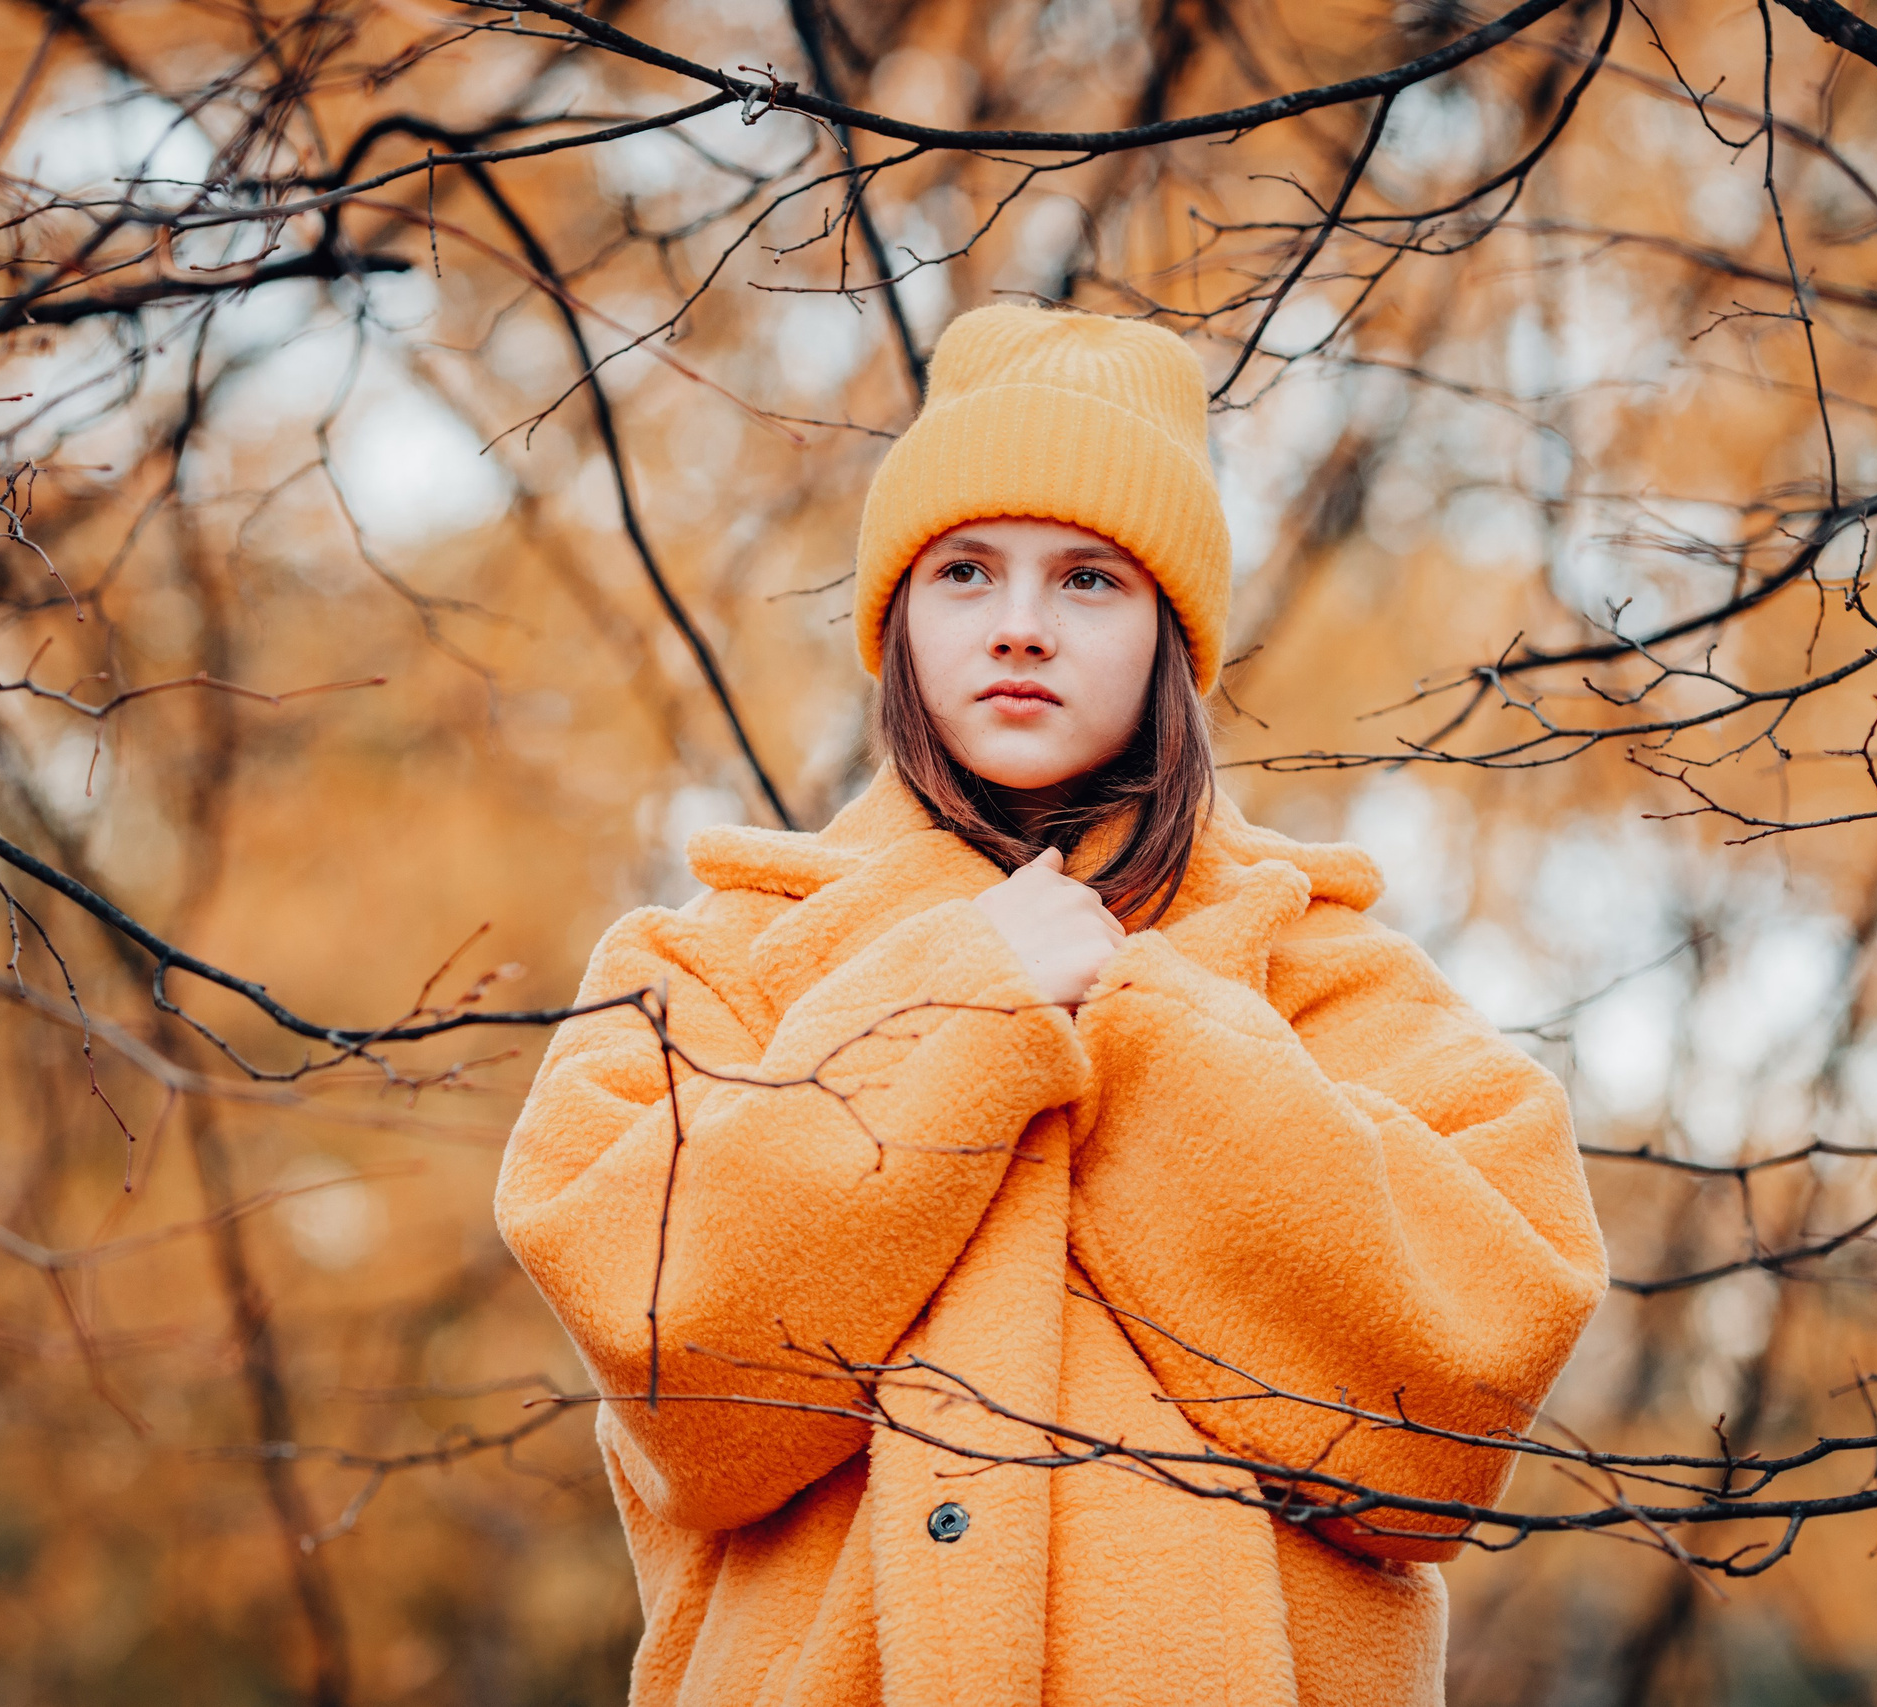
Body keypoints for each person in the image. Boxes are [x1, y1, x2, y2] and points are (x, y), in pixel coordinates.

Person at [496, 305, 1608, 1706]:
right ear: (897, 617)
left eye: (1090, 581)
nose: (1020, 626)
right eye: (966, 571)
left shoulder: (1334, 976)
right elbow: (690, 1389)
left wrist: (1127, 1019)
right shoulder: (711, 964)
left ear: (1168, 637)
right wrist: (962, 1003)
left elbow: (1452, 1408)